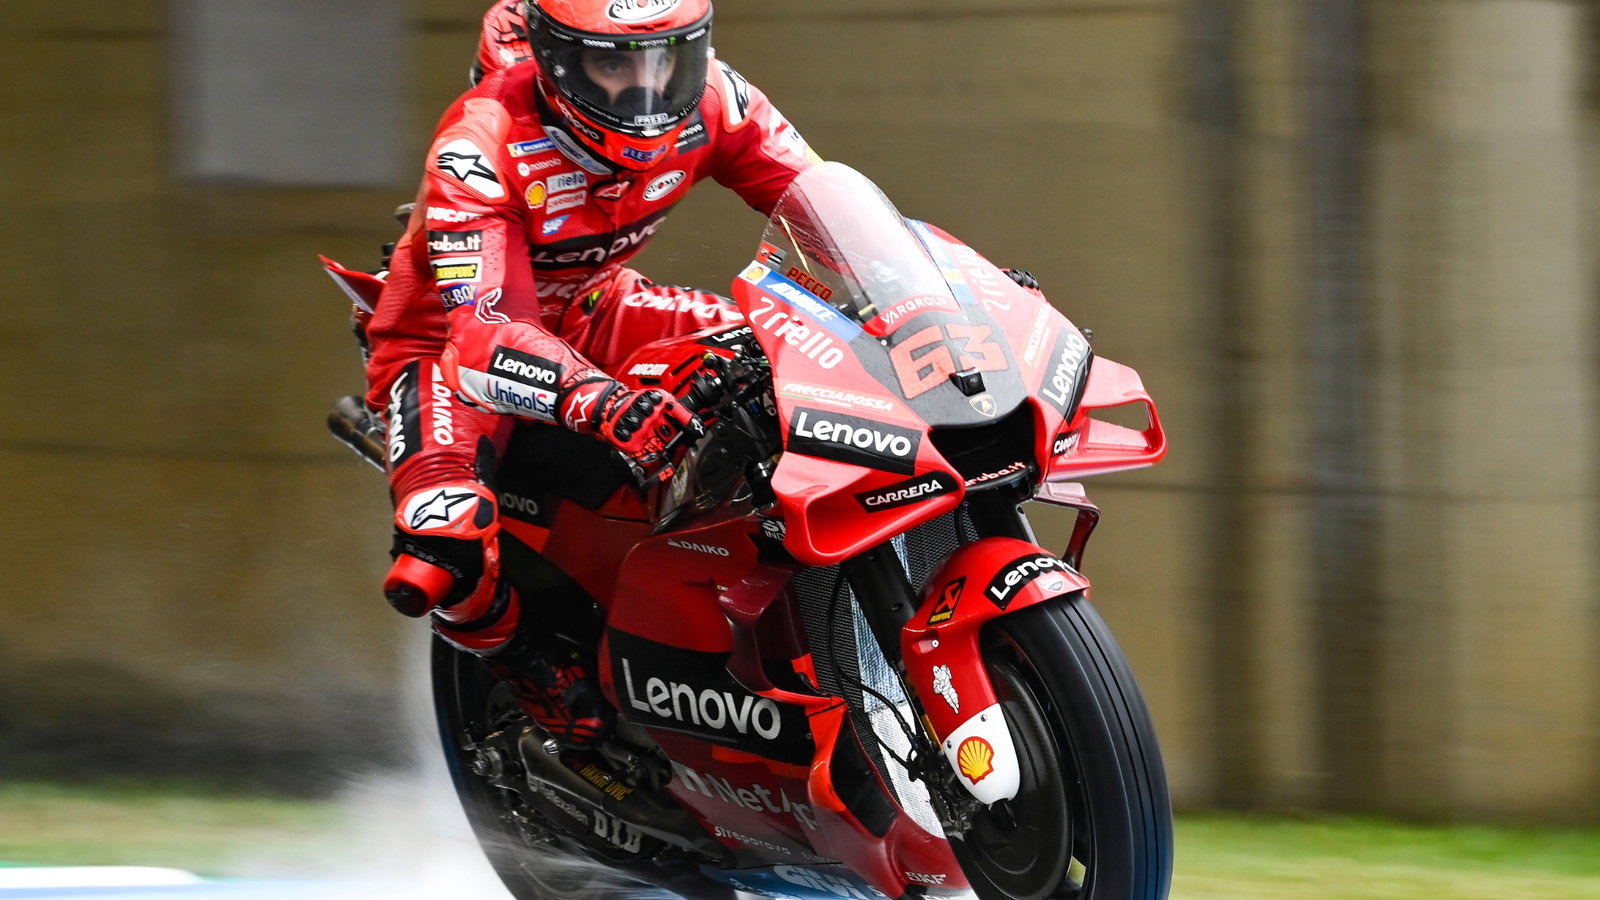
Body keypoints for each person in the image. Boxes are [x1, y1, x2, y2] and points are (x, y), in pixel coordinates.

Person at [359, 0, 821, 748]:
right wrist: (600, 402)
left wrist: (945, 293)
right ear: (554, 63)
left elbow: (824, 204)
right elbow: (483, 335)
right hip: (444, 348)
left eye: (665, 58)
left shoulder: (719, 97)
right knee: (442, 542)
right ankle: (517, 658)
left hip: (598, 307)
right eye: (613, 63)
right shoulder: (480, 144)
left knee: (800, 350)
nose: (647, 89)